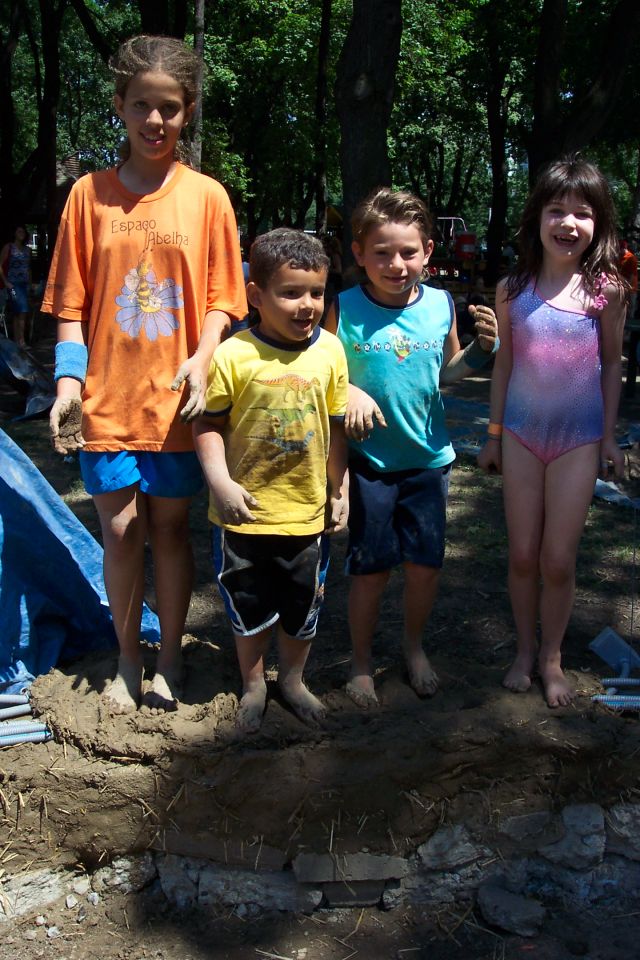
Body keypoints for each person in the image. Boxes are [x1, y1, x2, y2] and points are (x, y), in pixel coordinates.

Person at [41, 35, 247, 715]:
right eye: (141, 106)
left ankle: (170, 661)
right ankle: (128, 658)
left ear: (188, 111)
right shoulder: (87, 196)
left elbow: (223, 298)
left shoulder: (208, 198)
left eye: (170, 108)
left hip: (180, 402)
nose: (155, 121)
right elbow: (69, 306)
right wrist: (68, 386)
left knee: (169, 531)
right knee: (122, 533)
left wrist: (205, 354)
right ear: (119, 106)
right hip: (106, 400)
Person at [324, 187, 498, 707]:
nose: (396, 264)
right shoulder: (343, 308)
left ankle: (413, 648)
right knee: (371, 570)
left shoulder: (441, 304)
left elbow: (445, 374)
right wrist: (347, 391)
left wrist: (482, 351)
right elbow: (321, 375)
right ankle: (360, 663)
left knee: (424, 567)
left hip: (428, 460)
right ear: (359, 253)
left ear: (427, 252)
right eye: (381, 252)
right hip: (369, 464)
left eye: (408, 252)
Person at [477, 157, 626, 708]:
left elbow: (613, 363)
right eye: (556, 210)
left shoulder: (606, 291)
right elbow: (504, 364)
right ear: (537, 217)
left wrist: (608, 437)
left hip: (578, 442)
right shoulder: (512, 289)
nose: (568, 223)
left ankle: (552, 658)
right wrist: (494, 435)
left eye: (582, 213)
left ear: (598, 223)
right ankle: (523, 650)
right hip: (520, 436)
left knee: (558, 560)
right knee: (522, 554)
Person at [194, 228, 349, 735]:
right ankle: (254, 684)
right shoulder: (232, 355)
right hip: (244, 517)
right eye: (291, 292)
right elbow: (207, 424)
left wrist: (340, 490)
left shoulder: (330, 351)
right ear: (256, 296)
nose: (307, 305)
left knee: (304, 603)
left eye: (317, 292)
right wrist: (219, 481)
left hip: (307, 515)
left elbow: (336, 427)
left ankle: (294, 681)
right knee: (249, 603)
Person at [0, 225, 32, 348]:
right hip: (13, 284)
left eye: (23, 231)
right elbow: (0, 265)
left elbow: (28, 268)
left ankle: (17, 341)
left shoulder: (27, 250)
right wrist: (6, 282)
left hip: (24, 284)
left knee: (18, 312)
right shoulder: (9, 247)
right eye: (19, 231)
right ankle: (21, 341)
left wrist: (30, 284)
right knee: (22, 311)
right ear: (14, 233)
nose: (21, 233)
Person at [619, 238, 637, 323]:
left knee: (631, 305)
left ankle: (630, 323)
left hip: (631, 286)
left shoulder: (631, 258)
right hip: (621, 284)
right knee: (622, 304)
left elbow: (632, 275)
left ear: (624, 248)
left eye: (619, 249)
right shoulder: (619, 257)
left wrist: (628, 287)